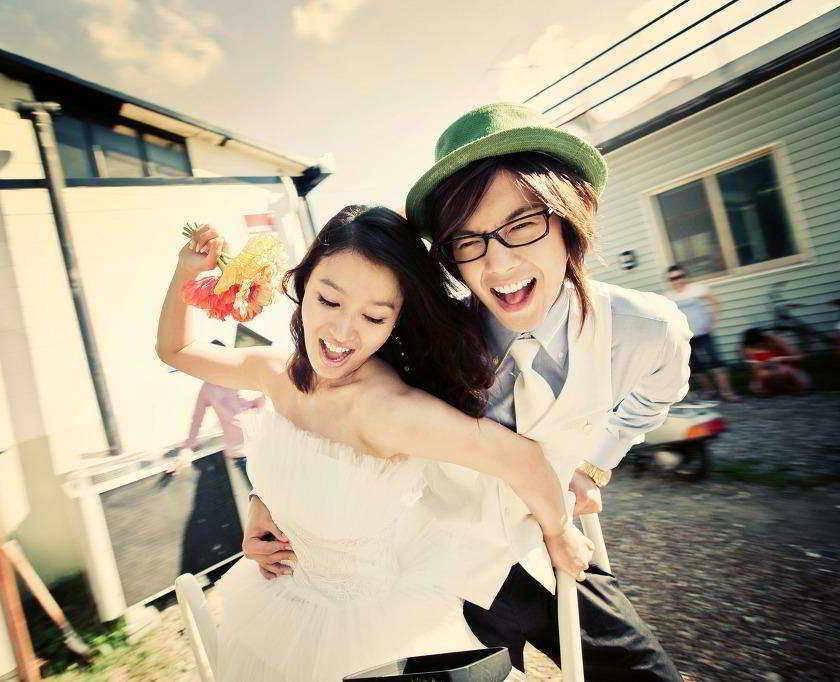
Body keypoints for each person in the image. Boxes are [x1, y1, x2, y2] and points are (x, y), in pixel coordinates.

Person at [247, 103, 691, 680]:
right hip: (428, 568)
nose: (498, 263)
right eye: (467, 239)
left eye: (522, 225)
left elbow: (654, 398)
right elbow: (313, 406)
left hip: (544, 552)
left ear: (571, 216)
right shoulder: (416, 337)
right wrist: (267, 501)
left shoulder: (644, 330)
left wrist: (593, 465)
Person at [157, 205, 593, 681]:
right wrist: (186, 271)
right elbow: (176, 351)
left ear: (396, 321)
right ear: (302, 285)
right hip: (278, 600)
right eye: (328, 301)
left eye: (373, 316)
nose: (343, 333)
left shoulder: (387, 411)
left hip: (366, 630)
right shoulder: (279, 372)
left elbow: (521, 459)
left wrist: (559, 532)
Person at [179, 357, 265, 489]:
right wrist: (187, 449)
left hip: (263, 448)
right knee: (263, 496)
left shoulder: (244, 378)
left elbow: (265, 404)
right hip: (241, 453)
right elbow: (197, 419)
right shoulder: (208, 388)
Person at [665, 264, 740, 402]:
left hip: (704, 333)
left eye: (680, 276)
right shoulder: (669, 297)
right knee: (696, 366)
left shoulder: (696, 289)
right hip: (686, 337)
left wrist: (712, 321)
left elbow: (715, 302)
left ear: (685, 276)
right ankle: (709, 391)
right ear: (669, 281)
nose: (677, 280)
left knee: (716, 362)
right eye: (673, 279)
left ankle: (727, 393)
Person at [740, 327, 811, 395]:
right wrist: (758, 367)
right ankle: (779, 389)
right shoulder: (748, 348)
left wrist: (782, 359)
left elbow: (799, 357)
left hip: (789, 371)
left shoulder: (775, 340)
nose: (758, 347)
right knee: (756, 385)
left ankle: (793, 387)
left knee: (786, 372)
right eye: (754, 346)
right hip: (769, 374)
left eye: (760, 345)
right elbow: (754, 371)